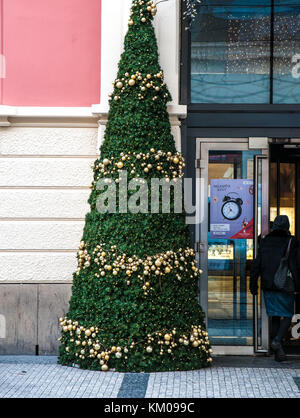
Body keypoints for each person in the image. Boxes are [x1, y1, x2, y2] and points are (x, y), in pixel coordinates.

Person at [250, 215, 300, 362]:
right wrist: (297, 284)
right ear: (287, 226)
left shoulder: (264, 241)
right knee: (288, 314)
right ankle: (277, 340)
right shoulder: (291, 241)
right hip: (284, 285)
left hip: (268, 285)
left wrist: (253, 283)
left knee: (276, 315)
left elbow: (257, 264)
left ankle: (278, 352)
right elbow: (293, 265)